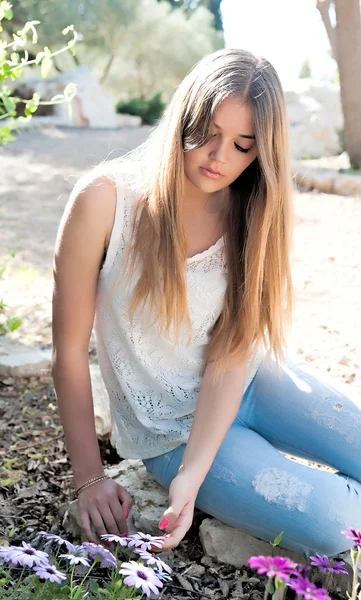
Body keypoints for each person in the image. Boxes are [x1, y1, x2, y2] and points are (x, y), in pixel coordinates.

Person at [52, 48, 361, 559]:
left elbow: (232, 351)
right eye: (207, 133)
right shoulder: (104, 202)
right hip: (169, 433)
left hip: (253, 381)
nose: (219, 157)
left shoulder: (252, 210)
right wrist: (91, 479)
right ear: (183, 117)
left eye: (242, 146)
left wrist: (197, 477)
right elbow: (67, 353)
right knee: (340, 525)